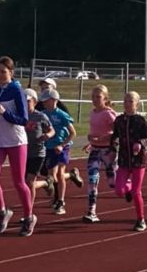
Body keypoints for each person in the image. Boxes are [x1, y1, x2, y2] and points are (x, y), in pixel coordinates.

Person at [0, 56, 35, 234]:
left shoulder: (16, 91)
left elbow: (23, 120)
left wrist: (5, 113)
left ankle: (29, 217)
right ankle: (2, 212)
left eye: (3, 72)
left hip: (16, 141)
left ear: (11, 72)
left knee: (19, 182)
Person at [112, 91, 147, 231]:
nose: (127, 104)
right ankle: (128, 188)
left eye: (130, 101)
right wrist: (113, 146)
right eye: (125, 101)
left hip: (138, 161)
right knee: (119, 191)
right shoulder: (119, 120)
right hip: (124, 160)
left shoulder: (140, 121)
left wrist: (140, 143)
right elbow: (115, 136)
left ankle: (141, 220)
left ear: (137, 104)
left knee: (137, 192)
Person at [40, 88, 80, 216]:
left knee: (60, 174)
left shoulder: (62, 115)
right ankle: (70, 178)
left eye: (46, 100)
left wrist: (62, 145)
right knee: (51, 176)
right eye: (43, 101)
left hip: (62, 147)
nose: (44, 103)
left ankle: (61, 200)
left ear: (54, 100)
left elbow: (73, 133)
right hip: (49, 147)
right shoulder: (43, 114)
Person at [82, 84, 118, 222]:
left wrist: (102, 138)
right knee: (92, 180)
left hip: (108, 151)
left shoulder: (108, 113)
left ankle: (127, 186)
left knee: (112, 183)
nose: (95, 99)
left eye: (98, 97)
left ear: (105, 98)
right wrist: (91, 143)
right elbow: (95, 132)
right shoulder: (92, 113)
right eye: (93, 97)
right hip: (95, 151)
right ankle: (92, 211)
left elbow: (117, 133)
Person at [22, 88, 55, 236]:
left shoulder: (40, 116)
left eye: (28, 101)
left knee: (29, 182)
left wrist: (47, 135)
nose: (25, 104)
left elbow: (51, 130)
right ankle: (46, 182)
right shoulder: (19, 116)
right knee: (25, 183)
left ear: (34, 102)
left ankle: (28, 212)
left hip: (37, 153)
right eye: (23, 101)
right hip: (22, 153)